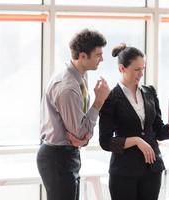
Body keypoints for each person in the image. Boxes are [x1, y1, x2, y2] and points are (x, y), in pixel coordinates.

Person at [99, 44, 169, 200]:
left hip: (152, 170)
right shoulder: (110, 98)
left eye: (143, 68)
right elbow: (106, 142)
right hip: (124, 172)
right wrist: (137, 141)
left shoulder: (149, 92)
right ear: (122, 68)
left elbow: (158, 131)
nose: (141, 73)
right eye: (137, 69)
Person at [37, 29, 110, 200]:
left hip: (67, 154)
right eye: (98, 55)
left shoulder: (81, 77)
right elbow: (79, 133)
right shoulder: (68, 87)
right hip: (58, 157)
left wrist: (83, 139)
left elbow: (80, 132)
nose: (102, 59)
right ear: (83, 56)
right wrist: (99, 102)